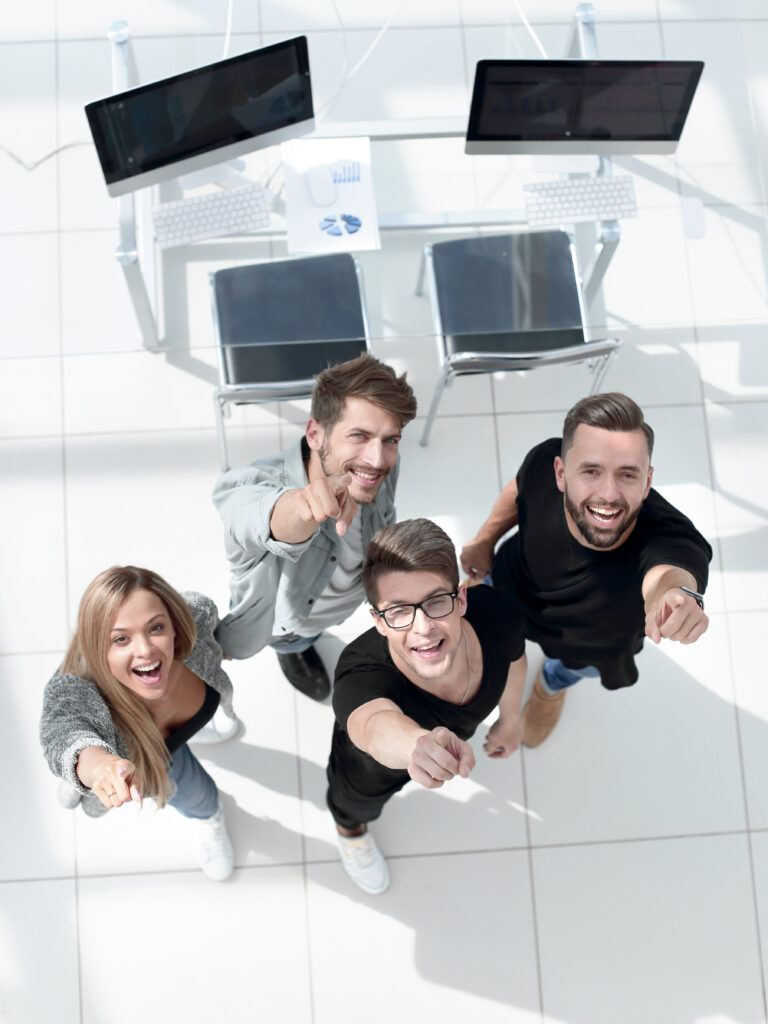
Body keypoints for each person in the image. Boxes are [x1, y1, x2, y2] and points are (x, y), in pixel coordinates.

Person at [460, 392, 712, 748]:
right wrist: (485, 539)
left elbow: (672, 570)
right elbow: (519, 488)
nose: (608, 494)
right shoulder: (544, 458)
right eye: (591, 471)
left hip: (590, 643)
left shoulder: (669, 535)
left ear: (647, 482)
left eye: (627, 474)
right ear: (560, 472)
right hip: (511, 583)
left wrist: (675, 595)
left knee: (568, 670)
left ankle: (550, 686)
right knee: (475, 630)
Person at [326, 518, 527, 895]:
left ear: (462, 598)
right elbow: (372, 723)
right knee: (354, 806)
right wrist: (416, 746)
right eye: (399, 611)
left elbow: (515, 660)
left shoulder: (498, 614)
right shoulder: (360, 671)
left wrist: (511, 717)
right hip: (370, 767)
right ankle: (350, 834)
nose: (422, 628)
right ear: (378, 623)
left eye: (436, 601)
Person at [212, 353, 417, 701]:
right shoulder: (253, 485)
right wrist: (304, 507)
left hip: (343, 606)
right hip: (289, 624)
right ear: (315, 434)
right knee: (296, 639)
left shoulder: (378, 469)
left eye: (390, 440)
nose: (378, 459)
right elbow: (253, 514)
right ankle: (293, 651)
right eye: (359, 436)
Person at [40, 566, 237, 882]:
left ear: (174, 624)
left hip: (182, 726)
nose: (145, 650)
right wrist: (100, 765)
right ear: (97, 649)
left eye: (155, 628)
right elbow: (63, 733)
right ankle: (208, 817)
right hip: (148, 759)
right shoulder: (73, 688)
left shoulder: (196, 617)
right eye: (121, 639)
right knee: (199, 796)